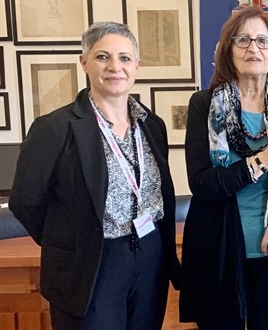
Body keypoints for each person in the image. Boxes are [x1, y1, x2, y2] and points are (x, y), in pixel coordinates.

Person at [9, 21, 181, 330]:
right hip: (91, 265)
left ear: (137, 66)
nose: (115, 67)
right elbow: (25, 201)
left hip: (150, 257)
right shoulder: (54, 128)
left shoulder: (152, 125)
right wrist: (70, 242)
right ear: (84, 62)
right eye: (103, 57)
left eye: (124, 58)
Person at [179, 5, 268, 330]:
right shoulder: (204, 105)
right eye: (242, 40)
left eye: (262, 40)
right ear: (228, 52)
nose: (252, 48)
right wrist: (265, 159)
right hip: (218, 250)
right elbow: (202, 183)